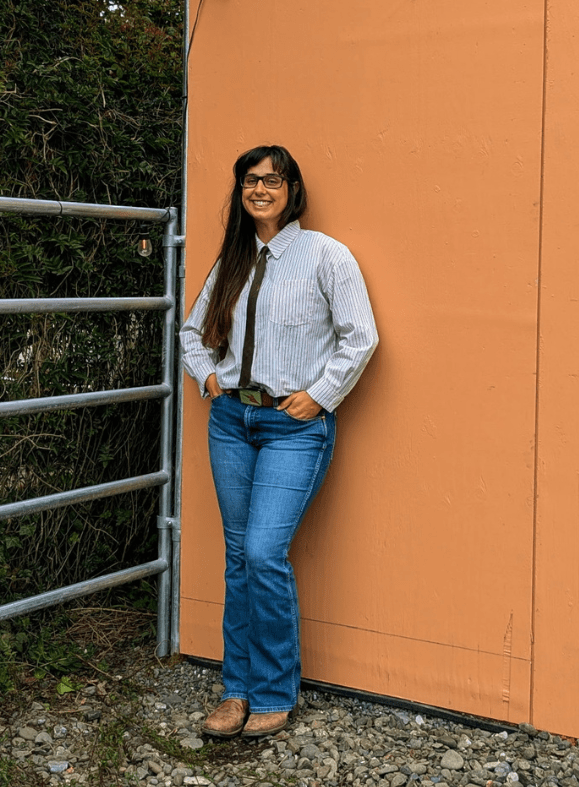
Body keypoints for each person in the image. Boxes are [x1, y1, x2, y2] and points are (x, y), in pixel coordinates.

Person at [180, 145, 378, 739]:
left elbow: (360, 336)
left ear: (292, 188)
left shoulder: (324, 255)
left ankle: (273, 690)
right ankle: (235, 691)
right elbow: (193, 333)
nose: (259, 189)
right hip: (231, 424)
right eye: (249, 180)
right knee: (239, 558)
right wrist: (208, 376)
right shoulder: (233, 260)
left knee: (264, 554)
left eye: (272, 179)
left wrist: (319, 395)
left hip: (293, 429)